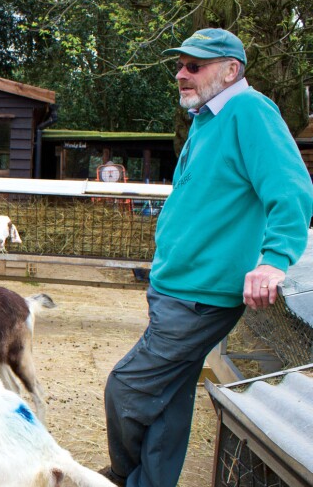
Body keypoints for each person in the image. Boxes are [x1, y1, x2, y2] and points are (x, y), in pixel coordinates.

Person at [100, 28, 313, 487]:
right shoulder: (208, 118)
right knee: (169, 398)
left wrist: (274, 259)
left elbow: (292, 187)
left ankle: (119, 477)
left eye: (194, 66)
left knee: (127, 388)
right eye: (180, 65)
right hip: (177, 285)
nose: (181, 74)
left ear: (230, 70)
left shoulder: (249, 110)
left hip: (200, 296)